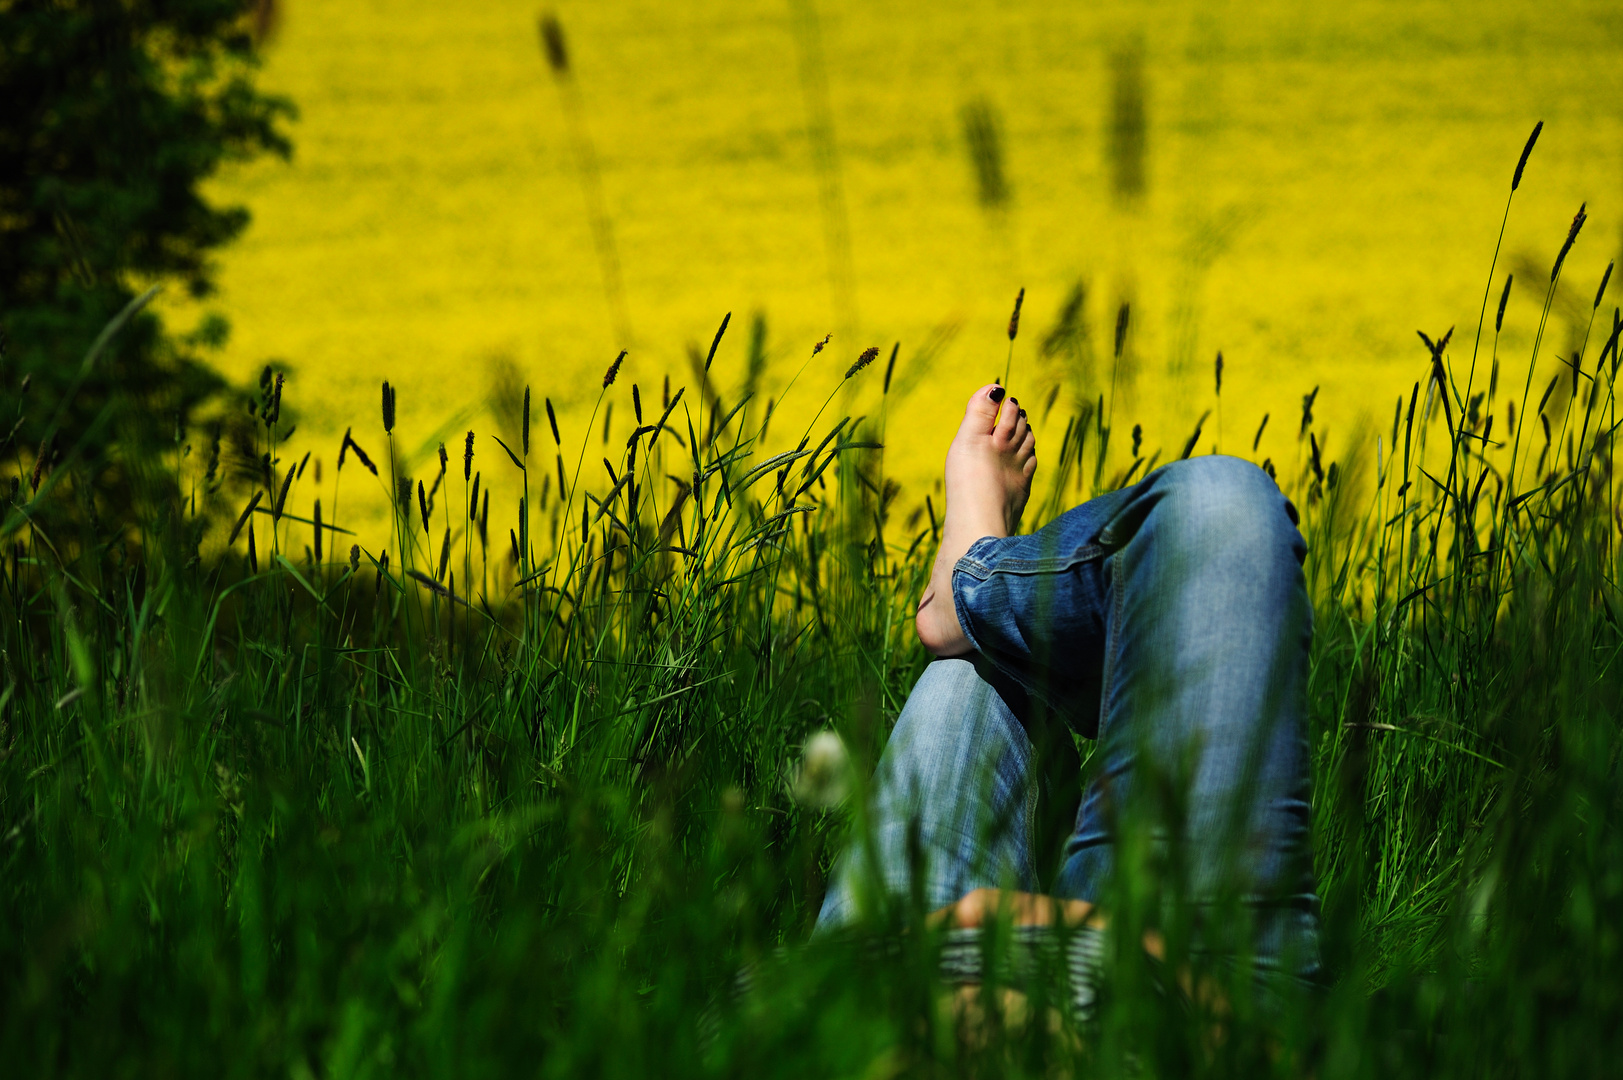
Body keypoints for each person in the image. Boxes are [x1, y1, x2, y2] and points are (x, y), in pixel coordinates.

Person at [815, 383, 1320, 998]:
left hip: (872, 1000)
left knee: (972, 675)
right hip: (1178, 1013)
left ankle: (971, 589)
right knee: (1221, 508)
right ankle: (976, 591)